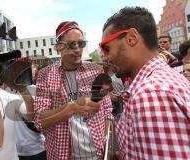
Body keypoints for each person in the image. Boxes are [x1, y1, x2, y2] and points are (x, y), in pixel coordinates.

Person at [100, 7, 190, 159]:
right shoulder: (161, 81)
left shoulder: (150, 94)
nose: (104, 57)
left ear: (131, 38)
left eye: (106, 48)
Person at [34, 21, 112, 160]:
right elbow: (40, 121)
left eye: (81, 44)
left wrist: (107, 144)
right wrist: (72, 107)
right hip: (62, 155)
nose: (77, 49)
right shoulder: (45, 75)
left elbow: (107, 110)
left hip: (98, 154)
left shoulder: (96, 70)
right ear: (59, 47)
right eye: (71, 44)